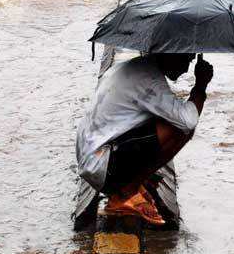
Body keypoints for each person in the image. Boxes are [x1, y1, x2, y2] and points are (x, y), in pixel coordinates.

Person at [76, 53, 214, 225]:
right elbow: (188, 121)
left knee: (169, 120)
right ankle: (125, 193)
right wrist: (200, 87)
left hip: (93, 159)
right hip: (102, 166)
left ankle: (130, 186)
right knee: (180, 129)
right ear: (169, 54)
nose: (186, 69)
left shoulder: (134, 68)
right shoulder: (149, 79)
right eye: (185, 59)